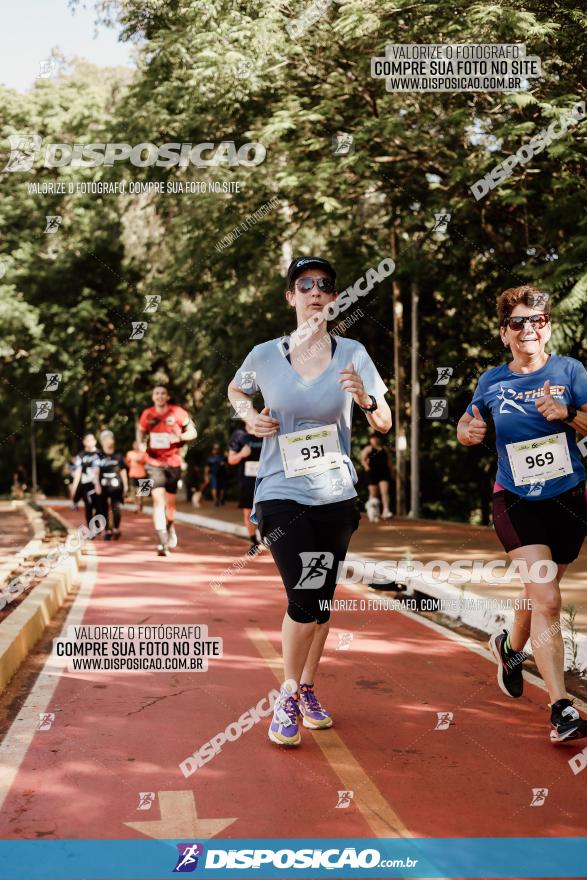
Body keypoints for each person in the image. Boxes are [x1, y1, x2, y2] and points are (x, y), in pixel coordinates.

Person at [228, 256, 391, 746]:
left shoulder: (354, 353)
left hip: (335, 494)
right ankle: (285, 696)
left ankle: (306, 686)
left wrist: (364, 398)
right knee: (303, 595)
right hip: (280, 490)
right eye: (304, 285)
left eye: (324, 285)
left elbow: (383, 423)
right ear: (291, 297)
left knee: (320, 603)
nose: (315, 292)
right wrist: (249, 415)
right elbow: (237, 390)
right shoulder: (263, 355)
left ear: (334, 298)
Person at [457, 286, 587, 744]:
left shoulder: (570, 370)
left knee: (539, 591)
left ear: (547, 326)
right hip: (514, 499)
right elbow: (466, 424)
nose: (529, 329)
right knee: (548, 599)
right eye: (518, 323)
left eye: (537, 320)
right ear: (505, 333)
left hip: (569, 498)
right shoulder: (492, 380)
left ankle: (509, 649)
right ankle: (560, 710)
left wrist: (569, 414)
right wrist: (468, 431)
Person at [137, 385, 197, 556]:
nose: (160, 396)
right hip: (153, 462)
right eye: (157, 393)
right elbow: (140, 432)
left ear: (167, 396)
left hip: (173, 463)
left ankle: (170, 528)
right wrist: (141, 445)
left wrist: (179, 437)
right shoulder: (147, 414)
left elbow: (193, 432)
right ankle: (163, 543)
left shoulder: (178, 412)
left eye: (163, 393)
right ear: (153, 397)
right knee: (158, 502)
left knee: (170, 506)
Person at [228, 418, 264, 551]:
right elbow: (231, 460)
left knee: (266, 509)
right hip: (247, 480)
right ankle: (254, 542)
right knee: (248, 511)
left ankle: (266, 537)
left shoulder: (265, 431)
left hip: (266, 478)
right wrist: (242, 454)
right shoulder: (239, 435)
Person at [96, 431, 129, 540]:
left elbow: (123, 471)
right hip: (103, 486)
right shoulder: (98, 455)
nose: (108, 441)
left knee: (116, 508)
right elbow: (96, 471)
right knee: (103, 509)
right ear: (102, 442)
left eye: (110, 438)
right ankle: (107, 530)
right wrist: (97, 484)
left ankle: (116, 528)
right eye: (105, 439)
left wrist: (126, 486)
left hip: (116, 486)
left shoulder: (118, 455)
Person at [70, 433, 102, 530]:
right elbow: (78, 471)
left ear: (95, 441)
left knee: (98, 507)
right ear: (84, 442)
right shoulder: (81, 455)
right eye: (87, 440)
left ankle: (96, 523)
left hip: (98, 485)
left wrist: (98, 483)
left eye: (91, 440)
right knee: (88, 506)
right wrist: (74, 487)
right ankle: (91, 528)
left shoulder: (100, 454)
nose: (89, 442)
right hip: (85, 485)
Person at [360, 433, 393, 519]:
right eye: (372, 438)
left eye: (376, 438)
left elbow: (389, 461)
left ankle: (386, 510)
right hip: (372, 473)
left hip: (384, 473)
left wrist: (392, 471)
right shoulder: (368, 449)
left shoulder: (384, 449)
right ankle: (372, 511)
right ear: (370, 440)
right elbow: (363, 459)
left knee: (385, 492)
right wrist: (367, 468)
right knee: (373, 493)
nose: (374, 440)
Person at [125, 441, 148, 512]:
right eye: (135, 445)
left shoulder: (144, 454)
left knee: (142, 492)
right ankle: (137, 505)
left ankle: (140, 503)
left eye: (138, 445)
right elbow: (127, 463)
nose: (136, 446)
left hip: (142, 474)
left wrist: (140, 461)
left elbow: (147, 463)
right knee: (134, 492)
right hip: (132, 474)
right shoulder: (129, 453)